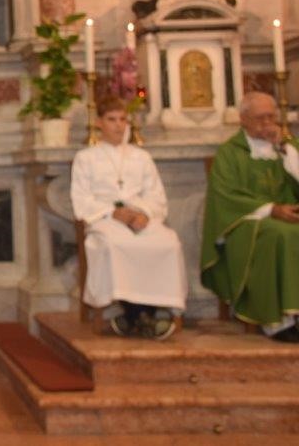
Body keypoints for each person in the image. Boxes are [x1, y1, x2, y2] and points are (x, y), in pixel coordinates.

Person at [71, 96, 187, 338]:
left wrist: (143, 213)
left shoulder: (141, 157)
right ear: (99, 122)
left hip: (140, 218)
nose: (118, 125)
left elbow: (156, 195)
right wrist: (113, 212)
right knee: (117, 245)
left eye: (123, 119)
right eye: (111, 119)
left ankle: (135, 318)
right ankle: (142, 317)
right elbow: (81, 199)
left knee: (167, 242)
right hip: (105, 220)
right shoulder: (86, 158)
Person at [202, 91, 299, 342]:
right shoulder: (230, 153)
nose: (267, 123)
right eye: (260, 118)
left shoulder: (287, 146)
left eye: (271, 117)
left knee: (288, 231)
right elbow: (226, 197)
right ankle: (278, 322)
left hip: (289, 215)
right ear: (243, 119)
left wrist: (284, 147)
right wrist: (272, 209)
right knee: (280, 234)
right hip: (246, 223)